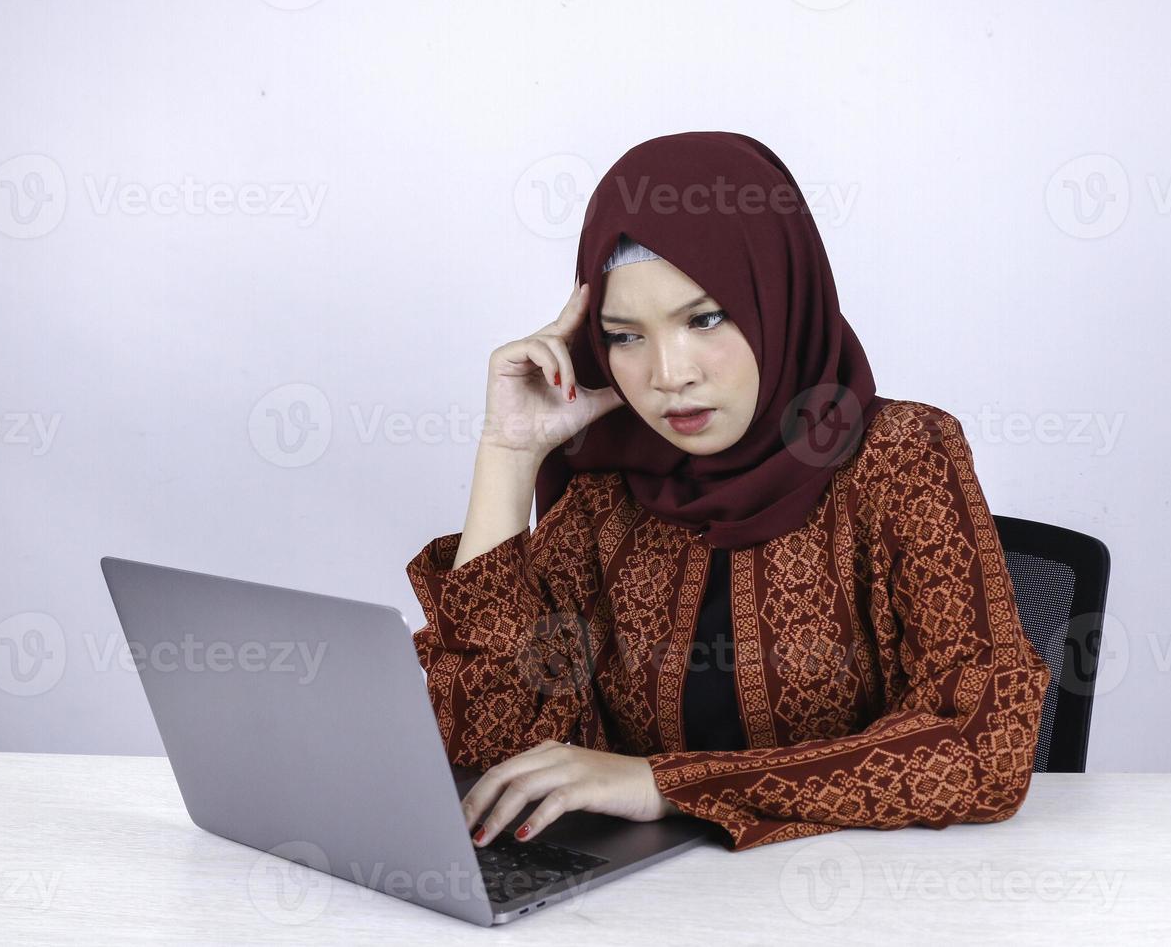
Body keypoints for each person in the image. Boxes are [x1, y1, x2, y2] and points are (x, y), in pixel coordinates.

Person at [406, 131, 1052, 853]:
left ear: (779, 298)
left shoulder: (898, 458)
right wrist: (508, 453)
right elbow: (486, 749)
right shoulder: (603, 494)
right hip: (643, 911)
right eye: (625, 336)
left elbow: (983, 744)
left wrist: (664, 784)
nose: (668, 373)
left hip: (865, 904)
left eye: (704, 319)